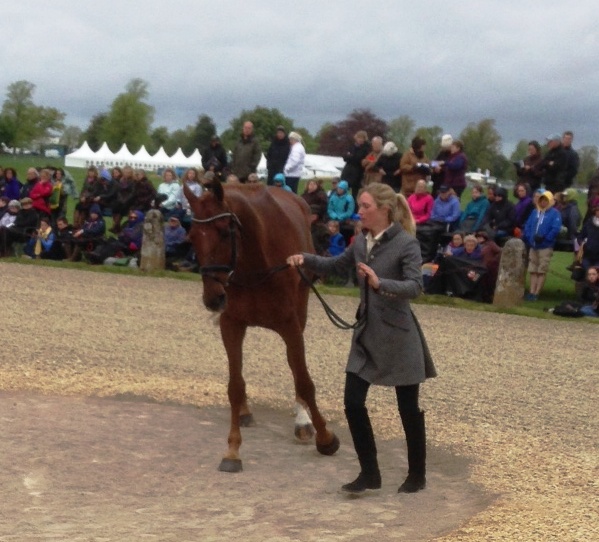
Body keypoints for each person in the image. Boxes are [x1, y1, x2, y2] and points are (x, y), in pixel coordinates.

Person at [286, 182, 436, 494]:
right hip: (366, 334)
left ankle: (417, 475)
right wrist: (305, 258)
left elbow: (415, 287)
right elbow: (335, 265)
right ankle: (370, 473)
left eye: (365, 206)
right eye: (360, 205)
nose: (360, 211)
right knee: (353, 403)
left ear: (384, 209)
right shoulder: (360, 241)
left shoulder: (406, 244)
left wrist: (381, 283)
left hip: (399, 337)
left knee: (408, 409)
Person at [523, 191, 562, 301]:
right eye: (542, 200)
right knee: (533, 270)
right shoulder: (535, 212)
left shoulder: (555, 214)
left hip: (545, 245)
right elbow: (528, 225)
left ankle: (536, 292)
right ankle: (531, 291)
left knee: (541, 270)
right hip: (533, 245)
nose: (543, 202)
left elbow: (555, 228)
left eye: (546, 200)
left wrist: (545, 238)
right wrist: (529, 237)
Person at [341, 130, 371, 200]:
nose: (360, 139)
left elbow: (360, 159)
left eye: (362, 138)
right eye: (358, 137)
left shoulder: (367, 148)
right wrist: (352, 157)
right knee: (343, 188)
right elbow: (345, 157)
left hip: (358, 173)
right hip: (348, 171)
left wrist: (350, 156)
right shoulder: (352, 146)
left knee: (355, 193)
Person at [110, 165, 136, 233]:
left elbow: (132, 193)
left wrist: (125, 200)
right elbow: (119, 191)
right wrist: (121, 198)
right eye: (125, 172)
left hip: (129, 200)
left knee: (122, 207)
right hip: (121, 199)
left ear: (130, 173)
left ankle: (116, 226)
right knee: (115, 206)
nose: (126, 174)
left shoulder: (133, 181)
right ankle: (116, 226)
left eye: (128, 172)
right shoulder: (121, 180)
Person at [577, 198, 599, 271]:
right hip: (587, 255)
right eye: (598, 210)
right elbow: (581, 236)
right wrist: (583, 244)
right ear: (595, 211)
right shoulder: (589, 222)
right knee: (588, 275)